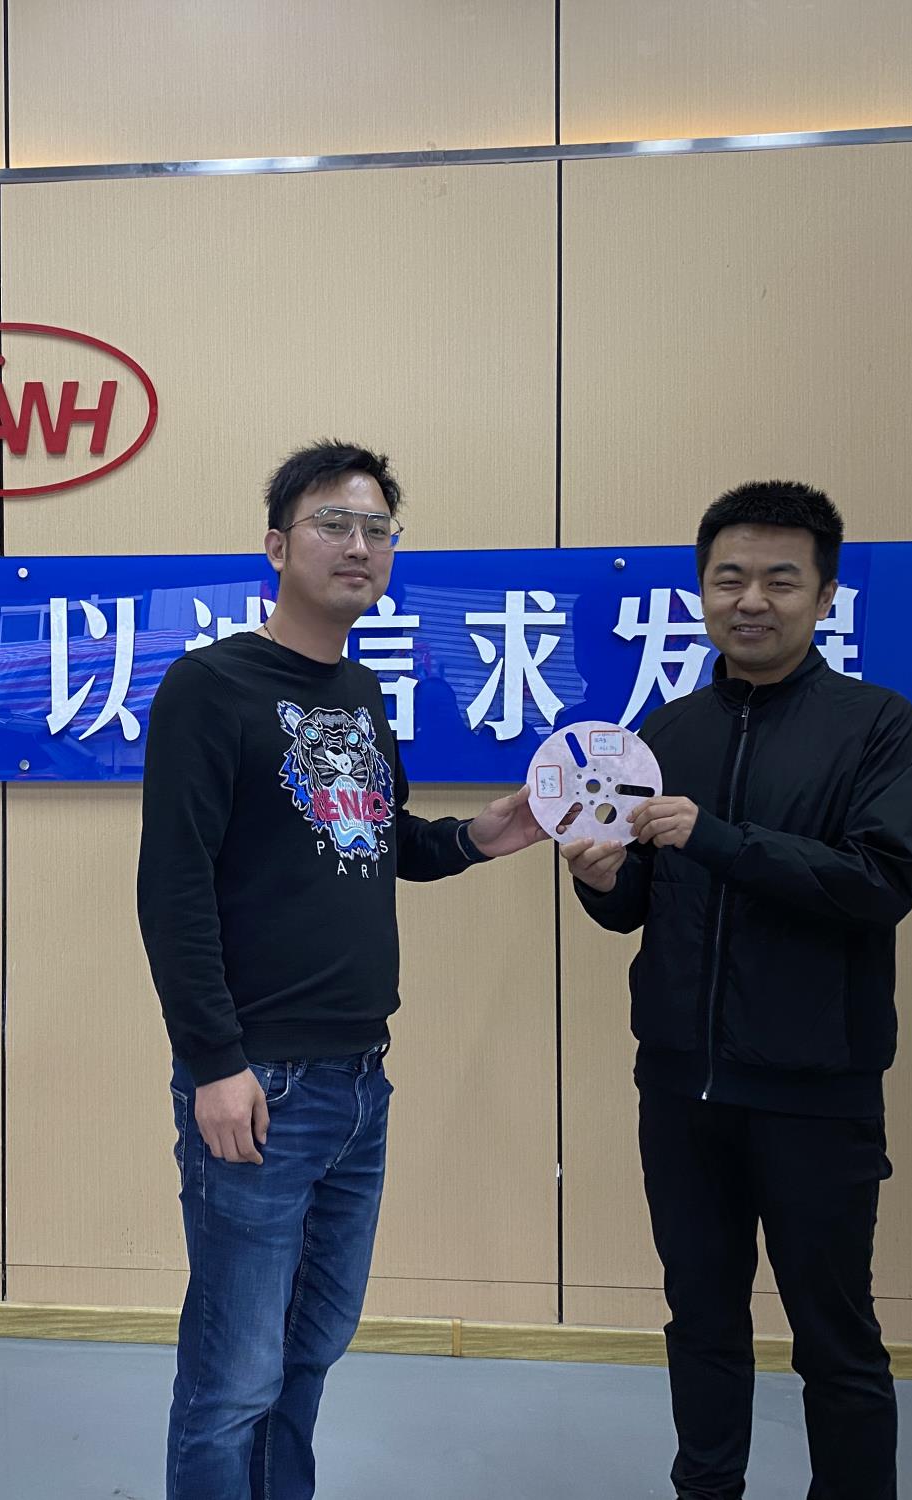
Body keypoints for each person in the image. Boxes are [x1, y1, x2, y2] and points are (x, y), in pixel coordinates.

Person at [136, 440, 544, 1499]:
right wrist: (213, 1062)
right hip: (259, 1082)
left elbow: (377, 837)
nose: (357, 545)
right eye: (332, 523)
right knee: (233, 1377)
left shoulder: (360, 690)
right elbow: (171, 890)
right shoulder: (209, 687)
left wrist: (481, 836)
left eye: (376, 529)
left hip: (361, 1080)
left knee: (308, 1350)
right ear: (277, 547)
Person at [566, 481, 912, 1500]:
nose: (751, 600)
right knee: (700, 1320)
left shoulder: (877, 726)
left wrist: (718, 838)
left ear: (823, 595)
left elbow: (877, 885)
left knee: (835, 1337)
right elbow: (636, 906)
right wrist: (599, 881)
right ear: (701, 590)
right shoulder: (666, 729)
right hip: (680, 1086)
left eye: (780, 579)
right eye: (728, 578)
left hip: (816, 1091)